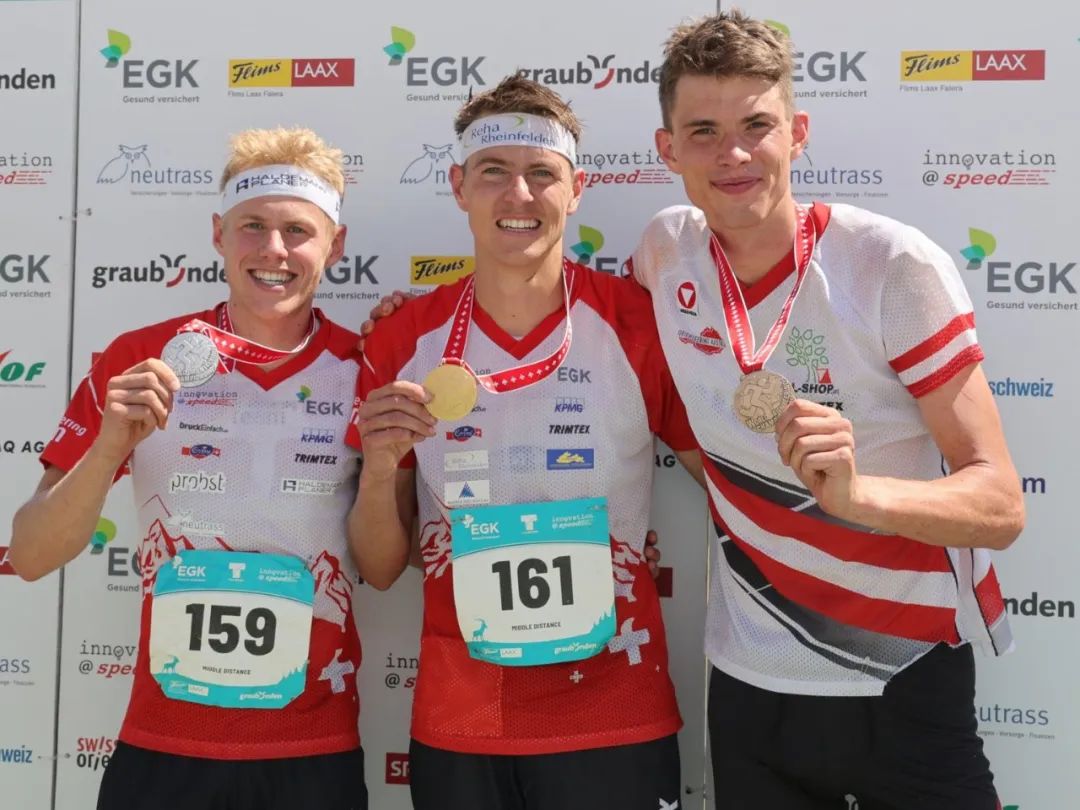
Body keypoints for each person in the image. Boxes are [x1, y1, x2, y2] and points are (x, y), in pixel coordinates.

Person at [627, 11, 1025, 809]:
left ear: (798, 132)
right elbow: (578, 324)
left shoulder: (888, 264)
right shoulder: (665, 251)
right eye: (703, 131)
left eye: (757, 126)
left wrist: (857, 496)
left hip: (899, 674)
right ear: (667, 149)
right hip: (748, 683)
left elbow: (1001, 504)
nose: (734, 154)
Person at [346, 75, 703, 810]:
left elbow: (733, 486)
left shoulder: (637, 323)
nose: (519, 194)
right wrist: (379, 471)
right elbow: (379, 569)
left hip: (614, 712)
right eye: (493, 172)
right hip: (462, 720)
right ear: (459, 187)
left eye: (542, 173)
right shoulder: (403, 338)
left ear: (576, 190)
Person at [9, 127, 369, 810]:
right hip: (164, 745)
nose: (273, 249)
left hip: (311, 746)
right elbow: (29, 554)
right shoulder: (142, 358)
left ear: (336, 245)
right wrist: (110, 446)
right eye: (252, 226)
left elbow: (384, 557)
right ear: (217, 234)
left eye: (298, 230)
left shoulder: (365, 366)